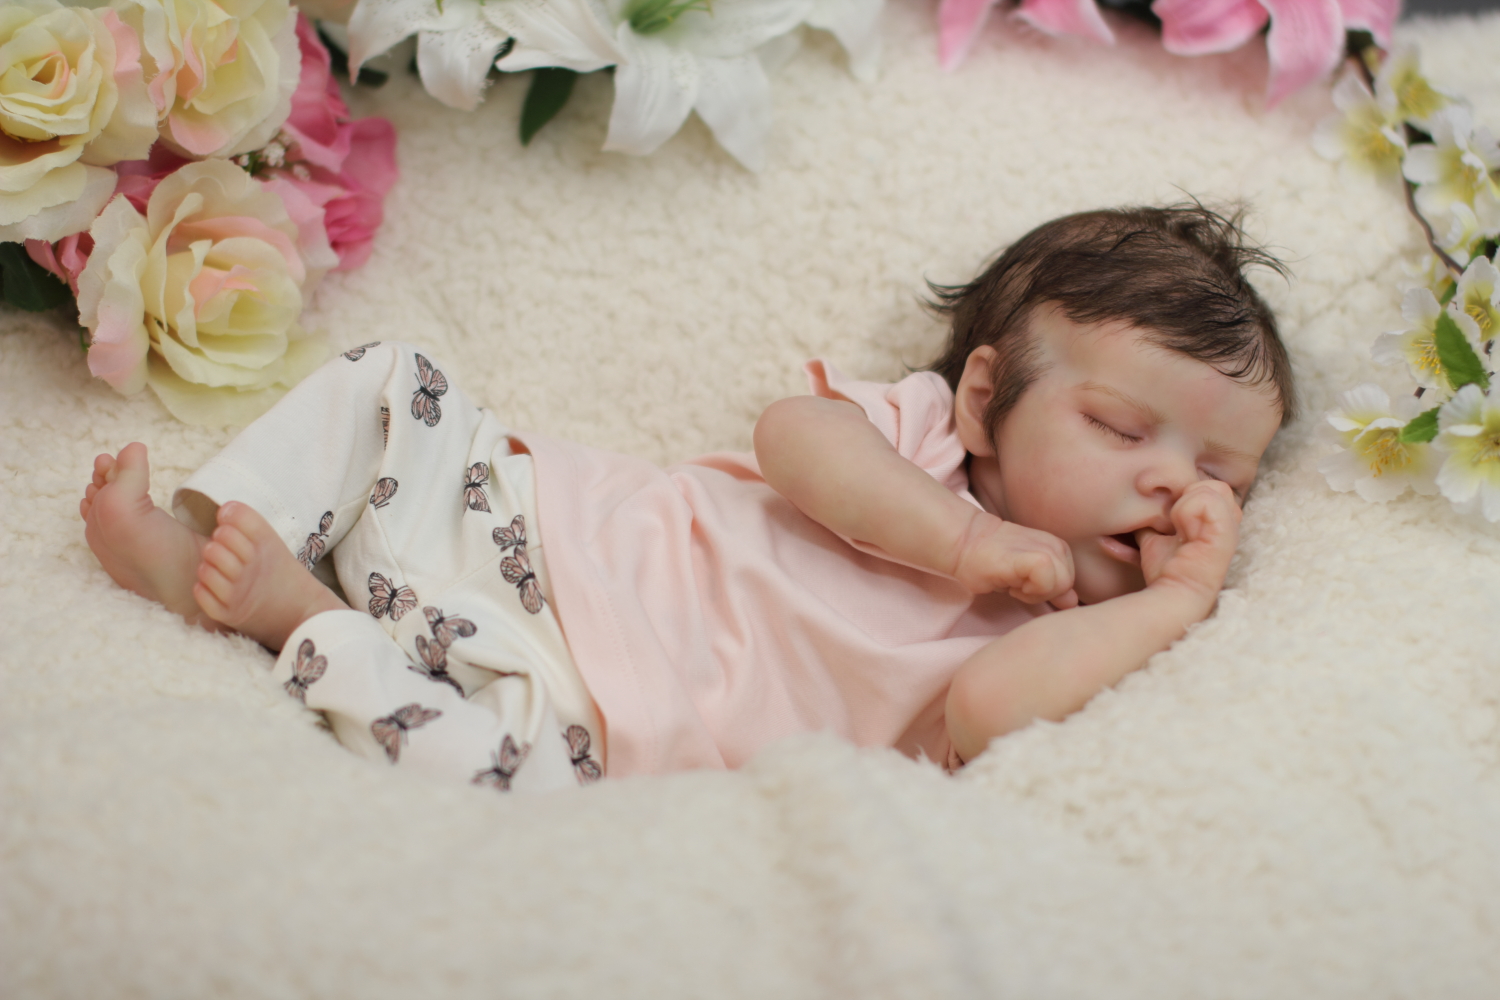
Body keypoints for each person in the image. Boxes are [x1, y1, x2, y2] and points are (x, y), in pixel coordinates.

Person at [79, 204, 1293, 792]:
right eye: (1122, 427)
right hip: (548, 534)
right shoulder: (924, 434)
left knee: (497, 790)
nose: (1171, 482)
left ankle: (296, 619)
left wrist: (1173, 601)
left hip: (607, 723)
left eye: (1221, 476)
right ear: (986, 398)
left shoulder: (1089, 635)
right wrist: (961, 537)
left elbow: (985, 705)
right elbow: (792, 439)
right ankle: (214, 528)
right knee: (397, 384)